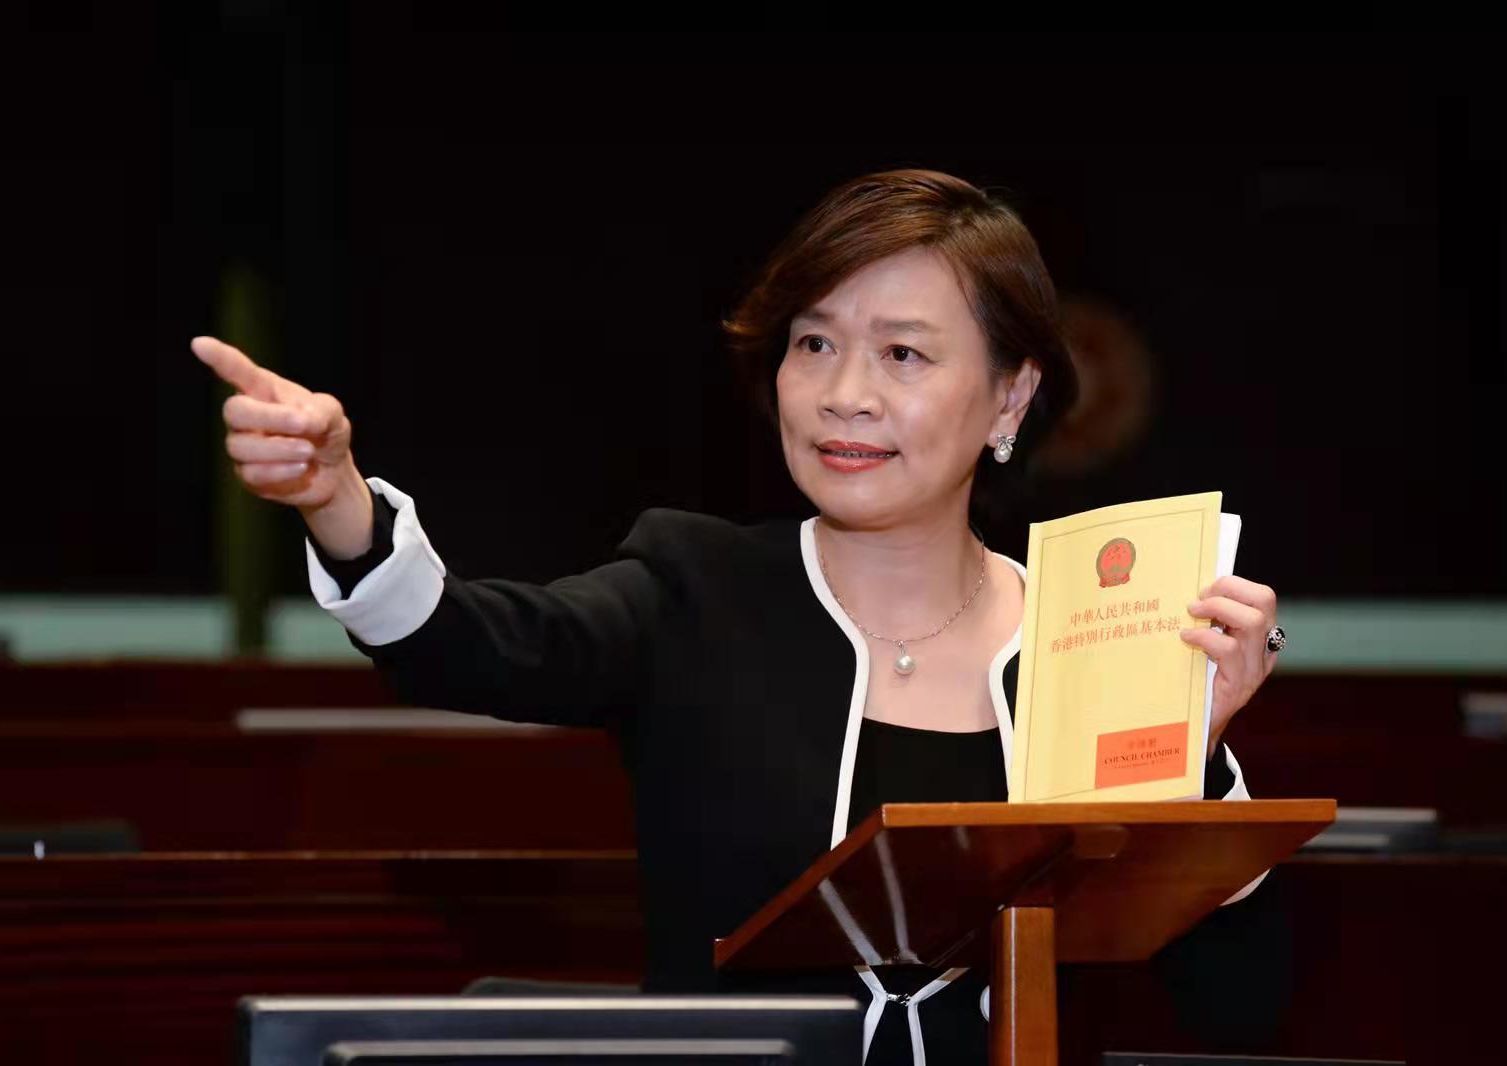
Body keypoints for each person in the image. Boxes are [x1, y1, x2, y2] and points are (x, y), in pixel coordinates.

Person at [193, 169, 1284, 1065]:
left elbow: (1232, 1006)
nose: (842, 392)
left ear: (1008, 398)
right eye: (813, 344)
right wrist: (337, 500)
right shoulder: (693, 587)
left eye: (901, 353)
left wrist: (1201, 755)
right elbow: (466, 646)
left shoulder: (1094, 634)